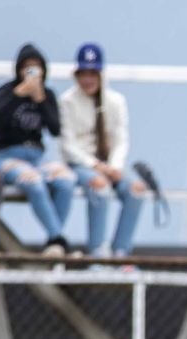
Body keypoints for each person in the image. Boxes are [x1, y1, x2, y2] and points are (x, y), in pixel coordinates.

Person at [59, 43, 145, 258]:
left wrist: (115, 167)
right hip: (81, 166)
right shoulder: (67, 102)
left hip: (109, 165)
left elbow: (121, 139)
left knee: (136, 189)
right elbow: (68, 145)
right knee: (99, 186)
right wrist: (95, 166)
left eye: (93, 73)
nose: (88, 80)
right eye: (83, 74)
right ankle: (97, 251)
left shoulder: (116, 101)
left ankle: (121, 252)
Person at [0, 44, 75, 254]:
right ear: (18, 69)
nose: (31, 72)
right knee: (34, 182)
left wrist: (41, 100)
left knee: (66, 180)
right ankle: (57, 239)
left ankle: (53, 240)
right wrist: (19, 93)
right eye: (27, 67)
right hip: (6, 156)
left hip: (36, 158)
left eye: (36, 67)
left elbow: (55, 129)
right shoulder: (8, 91)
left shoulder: (46, 94)